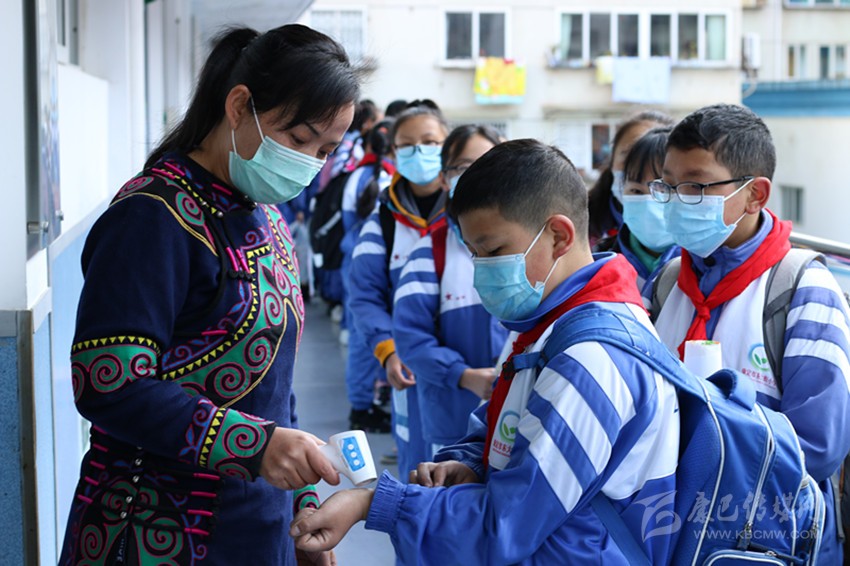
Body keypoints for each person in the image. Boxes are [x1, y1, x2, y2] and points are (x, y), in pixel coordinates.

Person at [290, 139, 681, 564]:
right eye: (474, 255)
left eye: (493, 252)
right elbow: (510, 421)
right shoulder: (549, 325)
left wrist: (373, 504)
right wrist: (472, 462)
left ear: (559, 235)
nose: (481, 274)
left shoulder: (592, 360)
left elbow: (508, 523)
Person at [59, 24, 360, 565]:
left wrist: (303, 506)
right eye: (299, 140)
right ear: (239, 106)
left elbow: (274, 385)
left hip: (256, 528)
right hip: (157, 531)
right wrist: (255, 445)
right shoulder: (152, 218)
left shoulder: (266, 216)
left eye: (325, 150)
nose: (310, 163)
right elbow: (109, 381)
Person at [651, 103, 850, 564]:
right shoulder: (666, 283)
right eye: (669, 185)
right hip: (670, 530)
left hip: (762, 542)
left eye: (696, 186)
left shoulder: (803, 289)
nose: (677, 200)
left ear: (755, 194)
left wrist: (697, 453)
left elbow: (817, 447)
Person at [392, 124, 509, 460]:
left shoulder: (528, 247)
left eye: (488, 164)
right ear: (444, 179)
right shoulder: (429, 252)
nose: (478, 177)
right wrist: (462, 376)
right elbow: (410, 337)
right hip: (452, 419)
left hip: (515, 417)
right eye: (463, 167)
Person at [348, 100, 450, 480]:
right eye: (407, 145)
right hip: (409, 368)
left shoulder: (473, 213)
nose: (419, 152)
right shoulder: (383, 221)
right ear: (393, 151)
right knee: (418, 467)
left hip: (472, 364)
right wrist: (388, 350)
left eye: (430, 142)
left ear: (447, 146)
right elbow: (365, 294)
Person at [341, 119, 396, 431]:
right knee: (371, 336)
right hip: (382, 267)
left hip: (356, 261)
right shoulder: (394, 180)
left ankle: (363, 402)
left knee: (364, 335)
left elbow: (347, 221)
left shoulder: (356, 177)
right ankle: (364, 405)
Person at [588, 110, 674, 248]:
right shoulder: (582, 220)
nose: (640, 165)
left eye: (655, 156)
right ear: (612, 159)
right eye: (631, 155)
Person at [615, 127, 681, 304]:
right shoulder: (604, 260)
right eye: (636, 191)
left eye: (662, 190)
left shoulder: (704, 264)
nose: (648, 202)